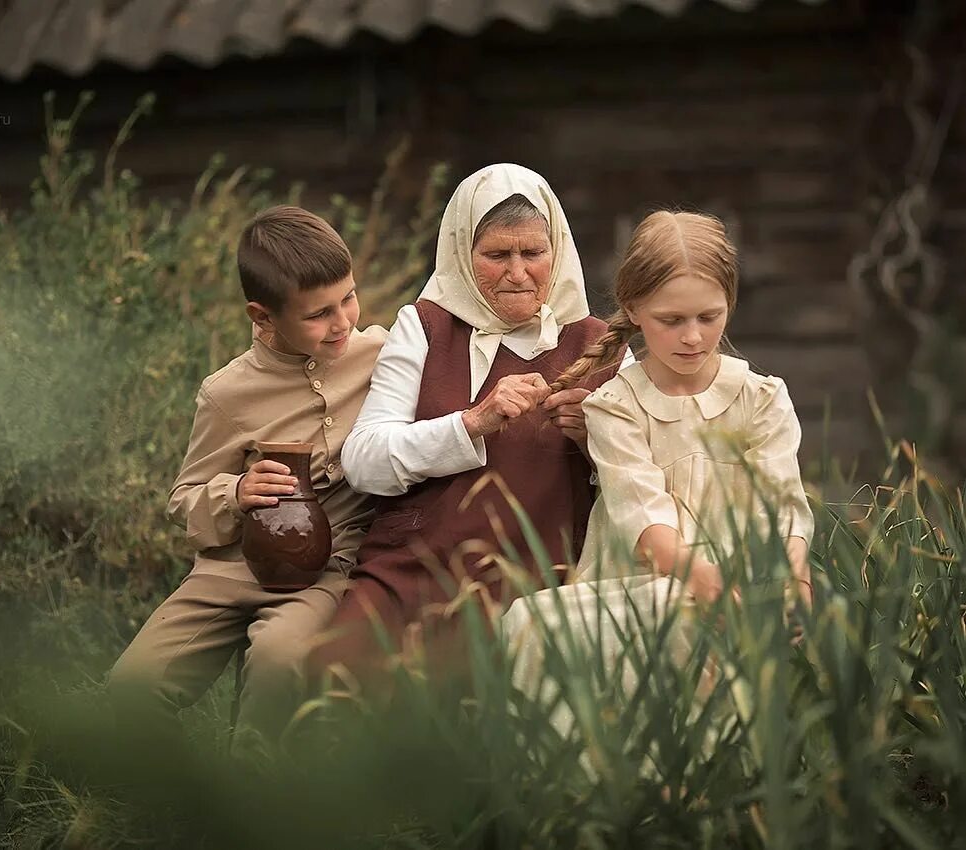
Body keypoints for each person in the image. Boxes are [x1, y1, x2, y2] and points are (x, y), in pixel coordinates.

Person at [308, 163, 632, 681]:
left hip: (544, 573)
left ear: (558, 250)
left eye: (533, 253)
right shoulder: (425, 326)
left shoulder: (602, 345)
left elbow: (649, 472)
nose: (518, 272)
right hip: (419, 564)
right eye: (497, 255)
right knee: (337, 671)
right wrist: (471, 422)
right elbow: (364, 462)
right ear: (463, 251)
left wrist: (597, 436)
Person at [501, 210, 814, 735]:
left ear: (729, 306)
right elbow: (646, 527)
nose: (693, 337)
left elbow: (784, 506)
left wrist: (794, 581)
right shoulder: (617, 406)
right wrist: (715, 589)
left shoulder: (761, 399)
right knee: (530, 624)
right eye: (672, 320)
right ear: (633, 309)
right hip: (652, 584)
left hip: (744, 584)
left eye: (709, 317)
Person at [107, 206, 387, 742]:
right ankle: (177, 801)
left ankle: (252, 798)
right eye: (318, 314)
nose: (343, 323)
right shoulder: (226, 392)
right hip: (229, 569)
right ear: (261, 316)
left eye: (348, 297)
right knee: (133, 685)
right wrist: (234, 491)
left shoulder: (382, 354)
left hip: (324, 568)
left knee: (279, 663)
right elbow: (184, 498)